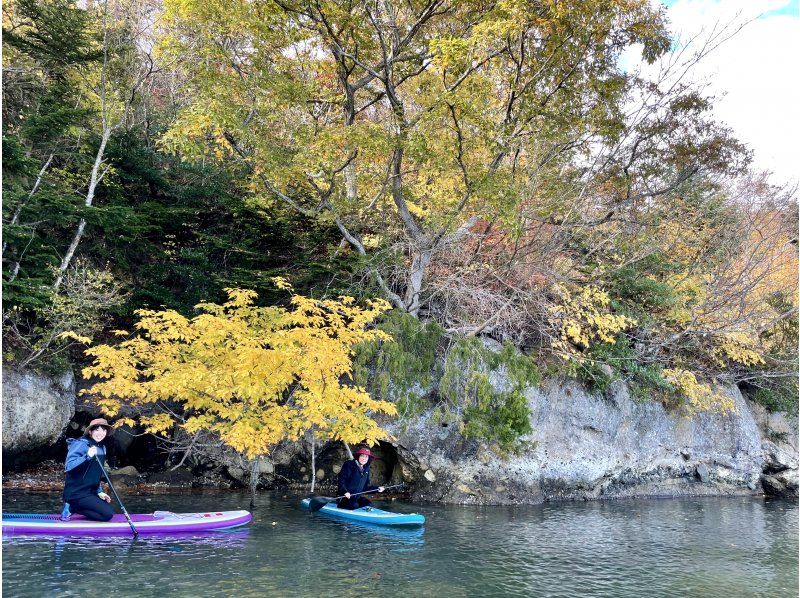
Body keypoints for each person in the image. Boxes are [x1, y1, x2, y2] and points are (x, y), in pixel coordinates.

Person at [61, 418, 115, 522]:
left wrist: (99, 491)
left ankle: (75, 508)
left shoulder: (102, 448)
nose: (101, 433)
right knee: (107, 514)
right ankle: (72, 506)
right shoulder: (81, 444)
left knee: (108, 512)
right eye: (97, 430)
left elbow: (96, 472)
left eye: (103, 430)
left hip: (90, 492)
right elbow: (69, 466)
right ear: (90, 431)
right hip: (76, 492)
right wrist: (87, 456)